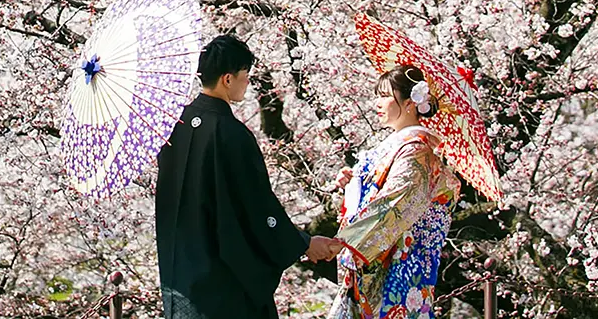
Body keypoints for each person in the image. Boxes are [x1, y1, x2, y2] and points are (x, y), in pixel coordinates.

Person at [156, 34, 341, 319]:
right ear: (227, 79)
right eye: (245, 75)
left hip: (182, 273)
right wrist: (303, 244)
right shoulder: (231, 133)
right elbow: (257, 206)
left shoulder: (172, 127)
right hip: (224, 279)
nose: (248, 82)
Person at [329, 66, 461, 319]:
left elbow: (394, 203)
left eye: (385, 96)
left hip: (398, 260)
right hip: (378, 257)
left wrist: (347, 242)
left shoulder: (417, 150)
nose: (377, 103)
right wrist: (353, 183)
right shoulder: (397, 146)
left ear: (410, 103)